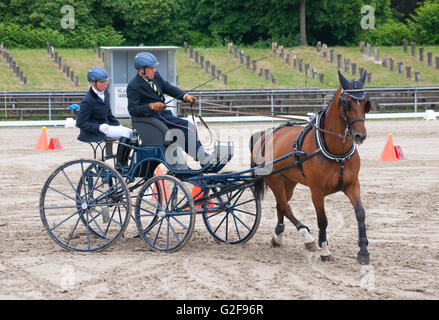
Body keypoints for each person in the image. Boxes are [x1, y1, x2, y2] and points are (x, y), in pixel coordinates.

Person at [127, 52, 214, 166]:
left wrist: (185, 96)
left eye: (154, 67)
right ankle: (203, 159)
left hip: (163, 115)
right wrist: (151, 106)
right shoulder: (133, 86)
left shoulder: (155, 76)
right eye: (151, 68)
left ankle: (200, 158)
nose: (154, 70)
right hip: (153, 119)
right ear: (141, 70)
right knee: (186, 127)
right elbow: (133, 110)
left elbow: (168, 88)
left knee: (189, 127)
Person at [76, 66, 133, 170]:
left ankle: (124, 162)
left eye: (105, 82)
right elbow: (80, 122)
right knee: (126, 133)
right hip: (96, 131)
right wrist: (98, 127)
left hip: (107, 126)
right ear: (93, 83)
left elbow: (108, 112)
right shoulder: (87, 101)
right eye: (101, 82)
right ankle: (120, 165)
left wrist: (117, 124)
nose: (104, 84)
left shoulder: (105, 92)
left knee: (131, 132)